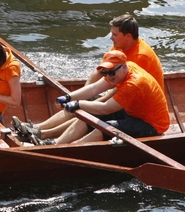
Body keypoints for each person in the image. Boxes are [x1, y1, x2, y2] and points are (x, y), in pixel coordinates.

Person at [13, 13, 164, 143]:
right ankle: (44, 136)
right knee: (88, 112)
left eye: (115, 34)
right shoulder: (119, 56)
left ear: (128, 36)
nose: (110, 38)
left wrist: (82, 103)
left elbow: (109, 104)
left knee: (99, 122)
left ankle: (65, 147)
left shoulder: (139, 60)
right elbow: (96, 83)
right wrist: (69, 97)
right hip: (131, 106)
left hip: (147, 118)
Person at [30, 50, 170, 145]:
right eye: (105, 73)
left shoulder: (134, 83)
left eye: (111, 73)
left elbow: (105, 109)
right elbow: (95, 88)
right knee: (88, 115)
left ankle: (72, 148)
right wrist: (68, 97)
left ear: (123, 67)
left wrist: (78, 104)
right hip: (133, 113)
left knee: (103, 128)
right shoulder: (123, 69)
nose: (108, 76)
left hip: (152, 124)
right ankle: (56, 144)